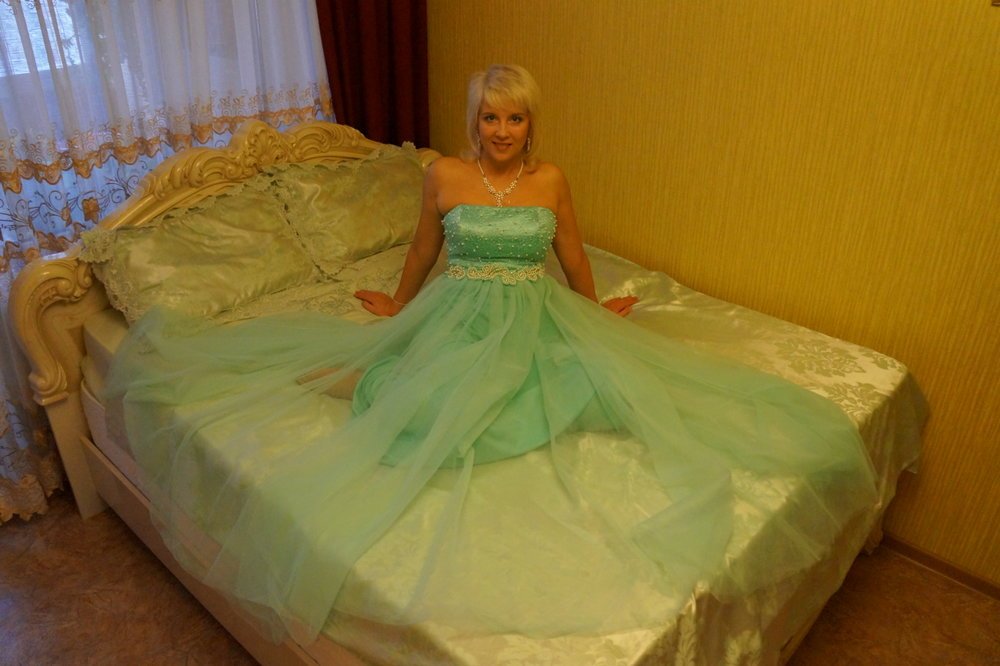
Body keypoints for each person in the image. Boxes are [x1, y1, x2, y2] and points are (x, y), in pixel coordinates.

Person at [106, 64, 877, 645]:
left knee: (589, 384)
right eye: (489, 117)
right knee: (432, 410)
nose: (501, 130)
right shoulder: (442, 174)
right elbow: (422, 248)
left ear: (530, 124)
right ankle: (378, 376)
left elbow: (572, 256)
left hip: (534, 309)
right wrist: (399, 305)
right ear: (473, 120)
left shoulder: (551, 180)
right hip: (460, 311)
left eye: (514, 118)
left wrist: (595, 314)